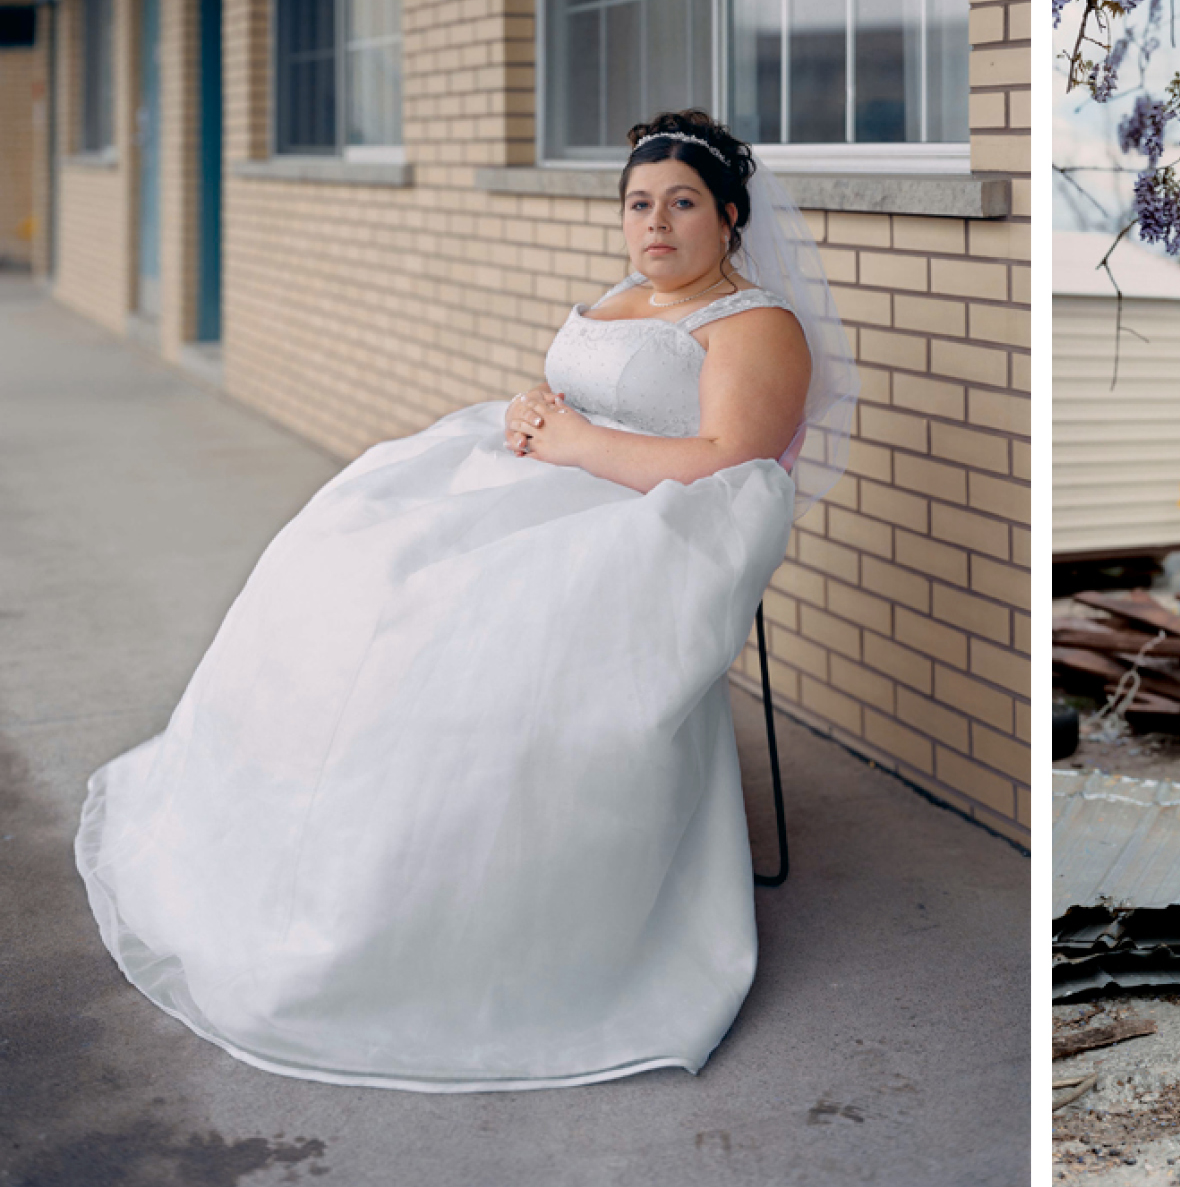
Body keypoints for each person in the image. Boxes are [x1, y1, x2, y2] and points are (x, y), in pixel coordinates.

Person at [73, 109, 858, 1093]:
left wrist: (574, 445)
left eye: (682, 204)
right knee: (355, 560)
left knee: (448, 617)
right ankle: (313, 852)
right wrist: (537, 412)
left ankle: (427, 899)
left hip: (654, 523)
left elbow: (725, 461)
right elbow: (578, 387)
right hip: (552, 475)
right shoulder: (628, 295)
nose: (654, 225)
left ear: (730, 215)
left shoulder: (754, 325)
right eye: (637, 204)